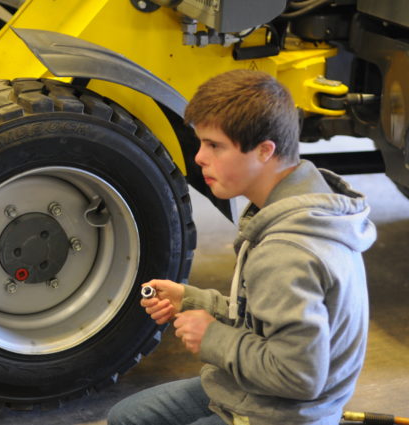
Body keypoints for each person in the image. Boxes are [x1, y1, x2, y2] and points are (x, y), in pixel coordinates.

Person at [107, 69, 377, 425]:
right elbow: (263, 319)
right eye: (201, 142)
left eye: (215, 145)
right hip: (253, 389)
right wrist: (190, 301)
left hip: (281, 413)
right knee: (127, 416)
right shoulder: (293, 204)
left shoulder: (288, 252)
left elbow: (299, 377)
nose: (199, 157)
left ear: (265, 150)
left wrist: (211, 336)